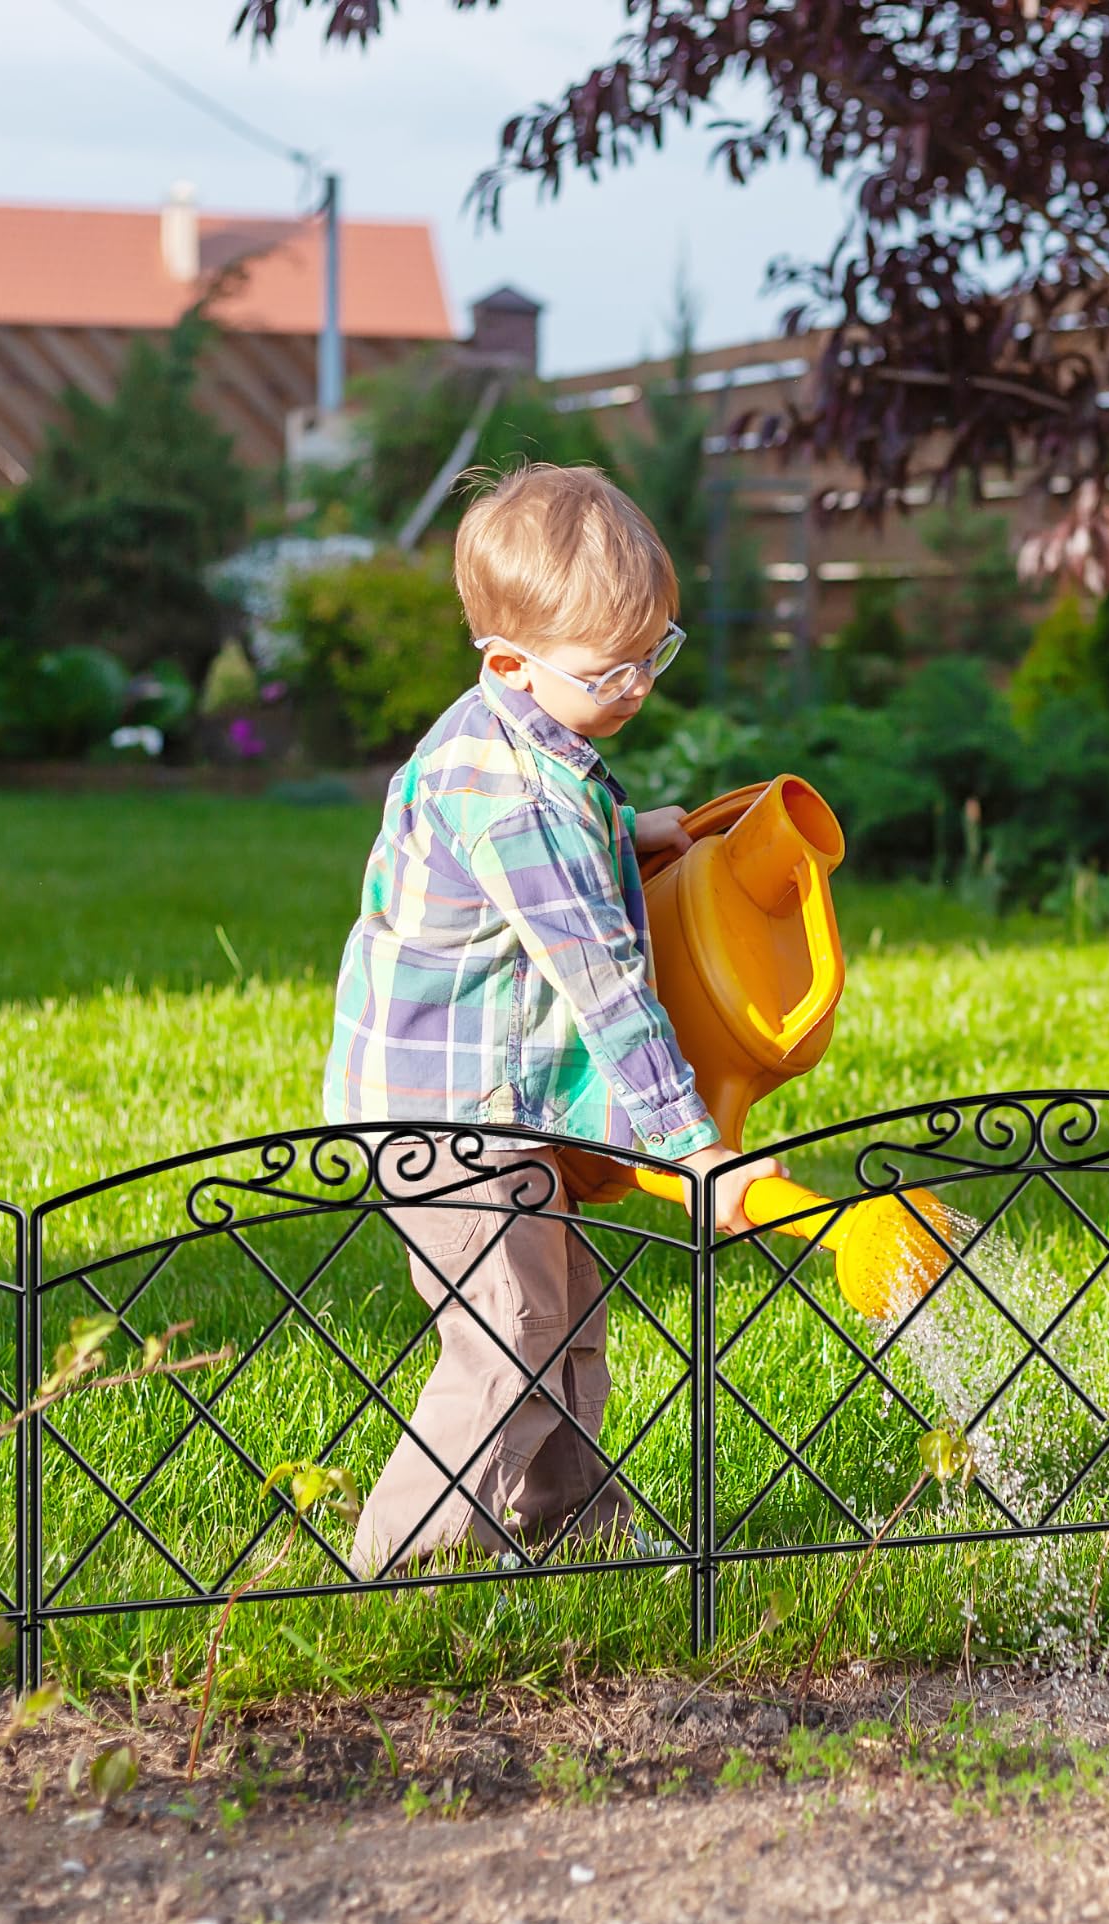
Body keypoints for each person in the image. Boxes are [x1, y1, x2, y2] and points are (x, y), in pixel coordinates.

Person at [324, 462, 778, 1576]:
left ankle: (570, 1531)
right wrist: (693, 1146)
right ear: (507, 663)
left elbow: (563, 858)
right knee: (508, 1330)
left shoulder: (529, 744)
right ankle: (404, 1568)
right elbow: (604, 983)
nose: (633, 688)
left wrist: (634, 830)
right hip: (443, 1119)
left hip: (498, 1100)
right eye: (606, 670)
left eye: (651, 655)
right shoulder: (513, 793)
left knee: (563, 1315)